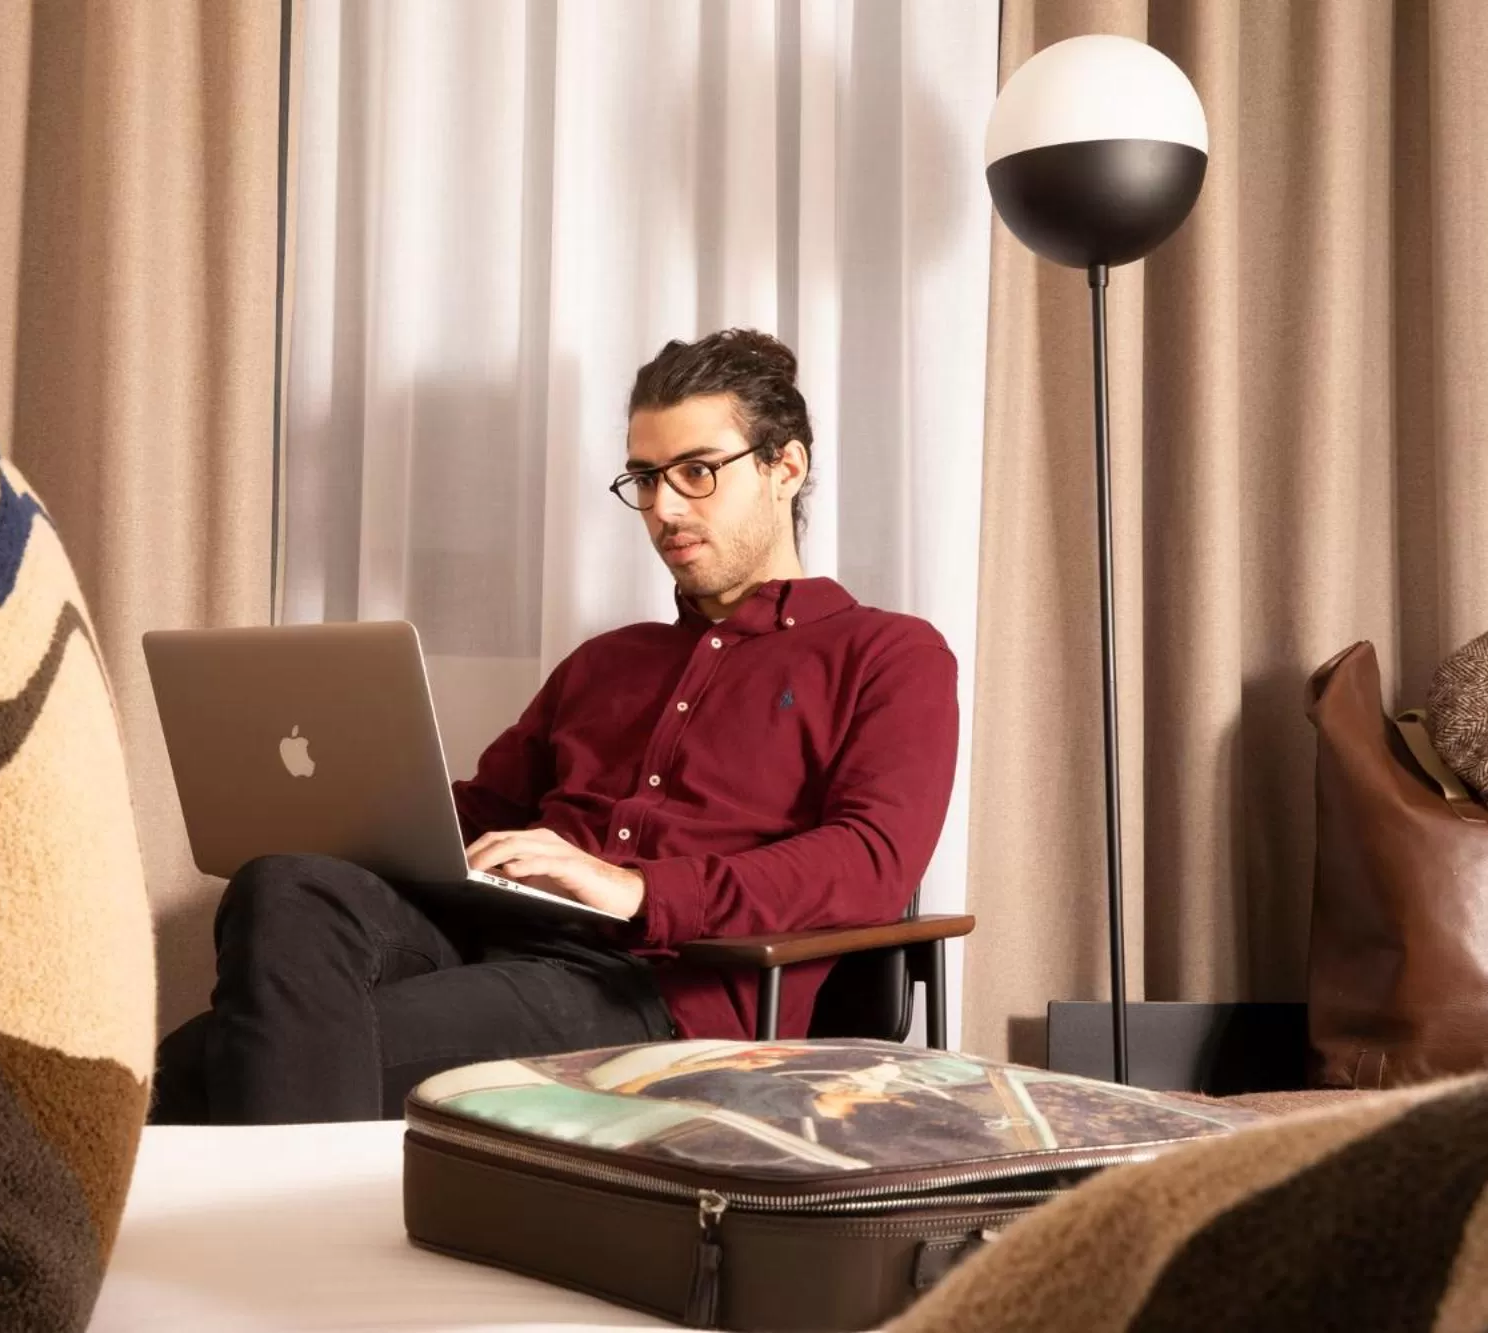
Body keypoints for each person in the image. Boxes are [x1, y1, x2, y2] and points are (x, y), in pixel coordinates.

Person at [150, 329, 959, 1125]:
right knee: (285, 879)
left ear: (786, 465)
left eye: (697, 472)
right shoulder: (606, 662)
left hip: (652, 990)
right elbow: (474, 812)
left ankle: (290, 1243)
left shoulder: (889, 653)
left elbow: (872, 861)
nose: (664, 508)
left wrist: (639, 888)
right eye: (644, 478)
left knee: (182, 1075)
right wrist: (348, 808)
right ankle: (304, 1234)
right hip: (493, 939)